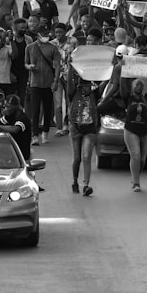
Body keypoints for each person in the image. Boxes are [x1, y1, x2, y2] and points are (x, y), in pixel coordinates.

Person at [66, 66, 98, 196]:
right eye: (85, 85)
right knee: (77, 158)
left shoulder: (94, 95)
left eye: (89, 85)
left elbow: (108, 82)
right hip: (75, 129)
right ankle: (75, 181)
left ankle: (86, 185)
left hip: (89, 130)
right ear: (80, 85)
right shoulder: (73, 93)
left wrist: (112, 67)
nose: (87, 88)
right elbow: (69, 83)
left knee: (86, 156)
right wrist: (70, 67)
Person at [25, 28, 61, 145]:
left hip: (48, 82)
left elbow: (57, 66)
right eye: (44, 34)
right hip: (35, 82)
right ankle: (34, 135)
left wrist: (55, 81)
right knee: (35, 110)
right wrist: (29, 66)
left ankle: (45, 133)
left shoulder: (53, 48)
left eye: (47, 34)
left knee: (47, 109)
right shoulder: (30, 47)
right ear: (38, 35)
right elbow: (25, 63)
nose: (47, 36)